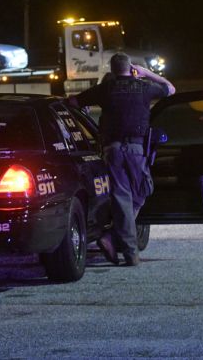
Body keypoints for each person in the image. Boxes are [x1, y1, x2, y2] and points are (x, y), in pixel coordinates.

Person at [68, 53, 175, 266]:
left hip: (112, 150)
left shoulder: (105, 89)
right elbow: (170, 89)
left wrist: (83, 106)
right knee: (139, 193)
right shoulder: (144, 87)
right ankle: (129, 252)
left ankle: (112, 238)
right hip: (136, 149)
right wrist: (147, 74)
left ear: (112, 69)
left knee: (124, 197)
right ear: (131, 68)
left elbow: (72, 101)